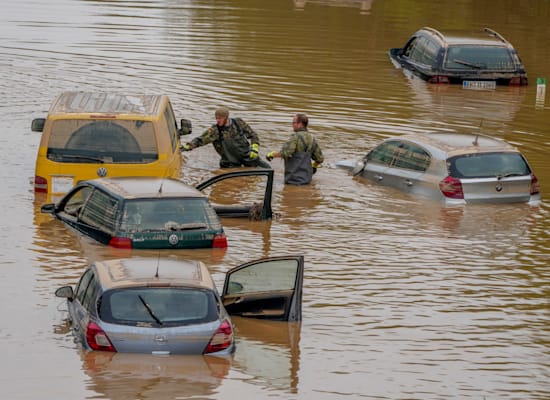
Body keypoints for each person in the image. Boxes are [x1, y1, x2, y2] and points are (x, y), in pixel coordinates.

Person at [181, 107, 271, 169]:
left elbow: (253, 135)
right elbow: (200, 140)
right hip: (229, 163)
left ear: (226, 118)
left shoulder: (238, 123)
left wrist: (254, 148)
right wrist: (187, 147)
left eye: (220, 118)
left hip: (247, 157)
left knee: (268, 169)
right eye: (216, 118)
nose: (218, 120)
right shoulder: (214, 130)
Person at [266, 113, 323, 185]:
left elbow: (286, 153)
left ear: (300, 124)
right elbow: (320, 159)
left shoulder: (295, 137)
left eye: (294, 123)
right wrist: (314, 166)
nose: (292, 125)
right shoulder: (312, 138)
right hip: (307, 180)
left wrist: (272, 154)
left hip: (293, 180)